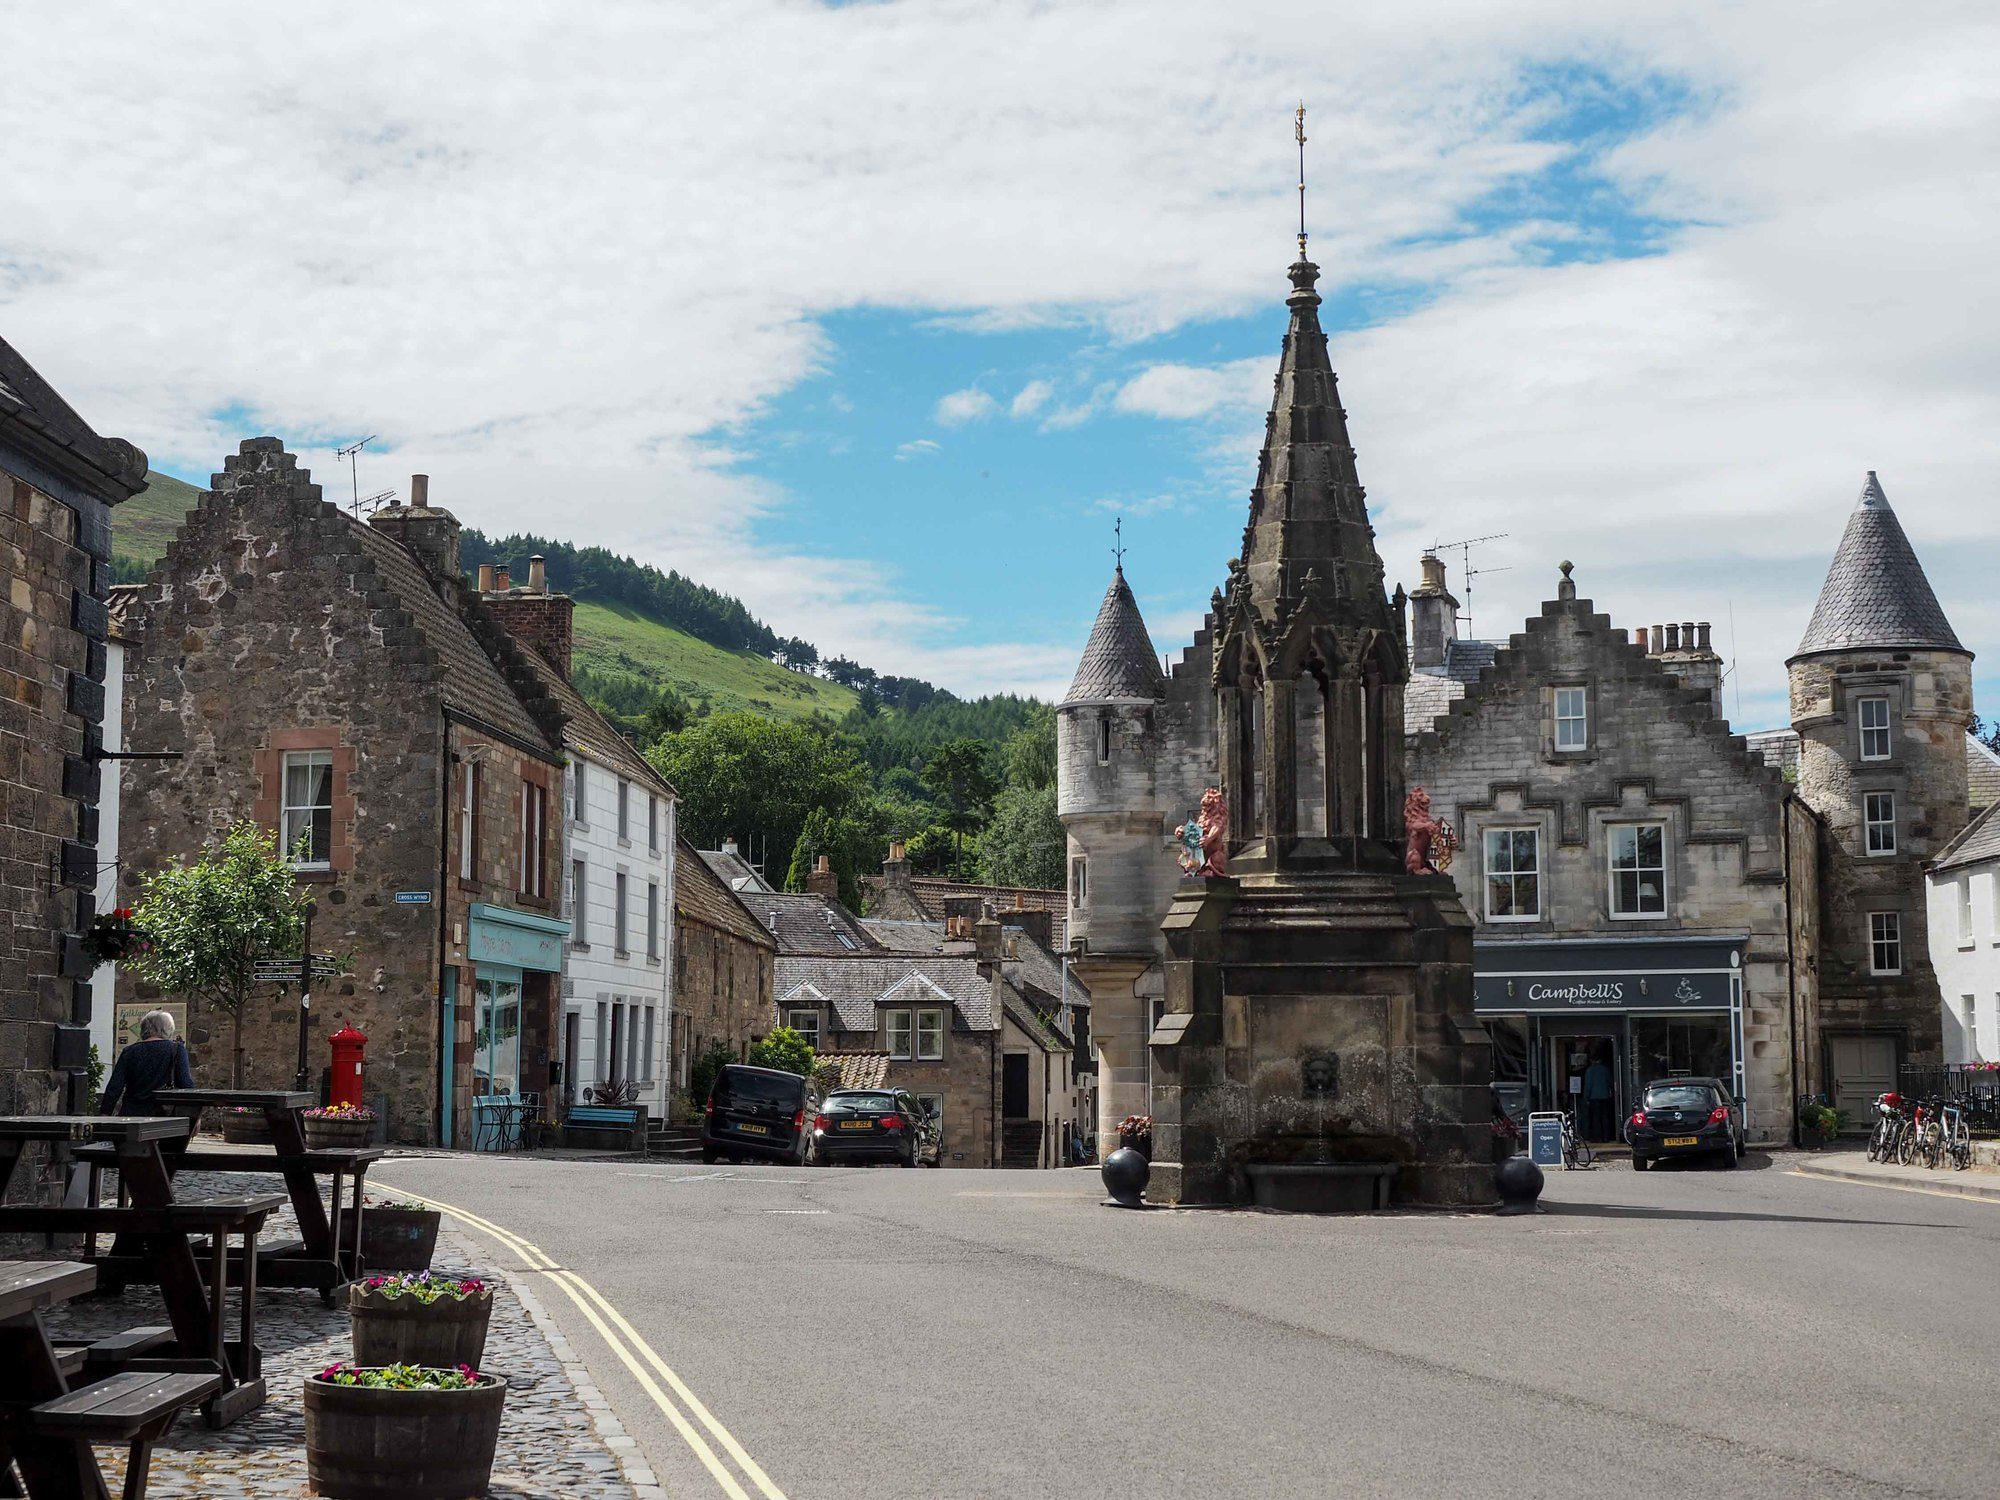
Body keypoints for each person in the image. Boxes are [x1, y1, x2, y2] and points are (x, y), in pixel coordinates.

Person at [99, 1009, 194, 1116]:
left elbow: (114, 1087)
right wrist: (193, 1116)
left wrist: (105, 1113)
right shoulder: (176, 1050)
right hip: (163, 1116)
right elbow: (186, 1085)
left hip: (131, 1114)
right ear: (168, 1029)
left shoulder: (129, 1051)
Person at [1582, 1056, 1614, 1142]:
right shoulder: (1605, 1070)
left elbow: (1588, 1086)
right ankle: (1606, 1137)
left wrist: (1586, 1098)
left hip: (1594, 1097)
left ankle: (1597, 1137)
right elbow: (1610, 1082)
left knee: (1595, 1118)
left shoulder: (1590, 1070)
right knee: (1605, 1117)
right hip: (1605, 1096)